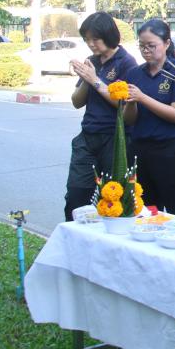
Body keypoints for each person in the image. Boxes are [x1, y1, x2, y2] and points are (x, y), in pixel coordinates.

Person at [64, 12, 138, 221]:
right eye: (86, 39)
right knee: (76, 194)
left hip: (114, 139)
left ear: (108, 35)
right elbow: (76, 101)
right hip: (88, 136)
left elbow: (124, 104)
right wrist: (86, 79)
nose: (91, 44)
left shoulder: (126, 62)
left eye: (95, 39)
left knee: (111, 198)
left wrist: (95, 80)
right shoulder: (91, 61)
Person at [123, 19, 175, 216]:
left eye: (151, 45)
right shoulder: (134, 73)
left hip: (171, 152)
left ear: (167, 43)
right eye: (142, 46)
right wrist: (132, 102)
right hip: (140, 150)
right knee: (145, 212)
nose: (146, 50)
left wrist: (142, 98)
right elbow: (129, 120)